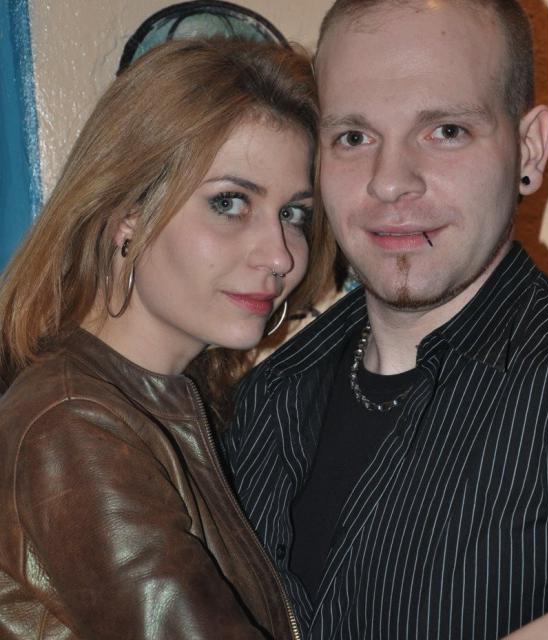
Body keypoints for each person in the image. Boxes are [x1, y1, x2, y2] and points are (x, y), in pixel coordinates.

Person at [224, 1, 548, 638]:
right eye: (354, 137)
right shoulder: (263, 401)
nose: (390, 182)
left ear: (528, 149)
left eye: (445, 130)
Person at [0, 37, 334, 639]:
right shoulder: (75, 426)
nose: (280, 255)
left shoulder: (167, 401)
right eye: (230, 202)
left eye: (293, 214)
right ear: (127, 214)